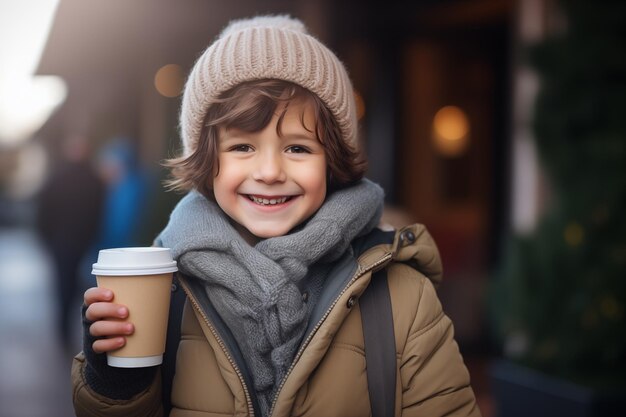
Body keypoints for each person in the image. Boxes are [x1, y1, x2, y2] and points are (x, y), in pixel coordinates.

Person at [72, 15, 481, 417]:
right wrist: (115, 384)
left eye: (298, 148)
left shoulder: (400, 297)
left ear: (332, 161)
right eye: (242, 147)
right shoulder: (169, 291)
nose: (269, 172)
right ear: (207, 161)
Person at [37, 134, 105, 350]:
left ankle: (66, 333)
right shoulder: (93, 178)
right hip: (82, 242)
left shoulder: (57, 177)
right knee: (82, 287)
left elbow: (43, 212)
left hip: (64, 244)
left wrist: (48, 239)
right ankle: (84, 333)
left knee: (66, 288)